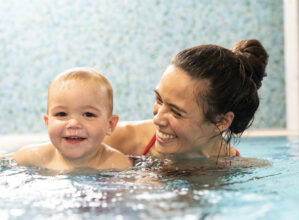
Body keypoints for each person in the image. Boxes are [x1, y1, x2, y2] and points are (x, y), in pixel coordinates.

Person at [104, 39, 269, 160]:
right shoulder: (114, 142)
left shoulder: (237, 171)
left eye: (176, 112)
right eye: (159, 99)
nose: (157, 119)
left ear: (222, 122)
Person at [1, 67, 132, 171]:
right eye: (62, 114)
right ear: (47, 122)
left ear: (110, 125)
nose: (74, 123)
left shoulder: (116, 164)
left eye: (88, 114)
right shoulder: (35, 156)